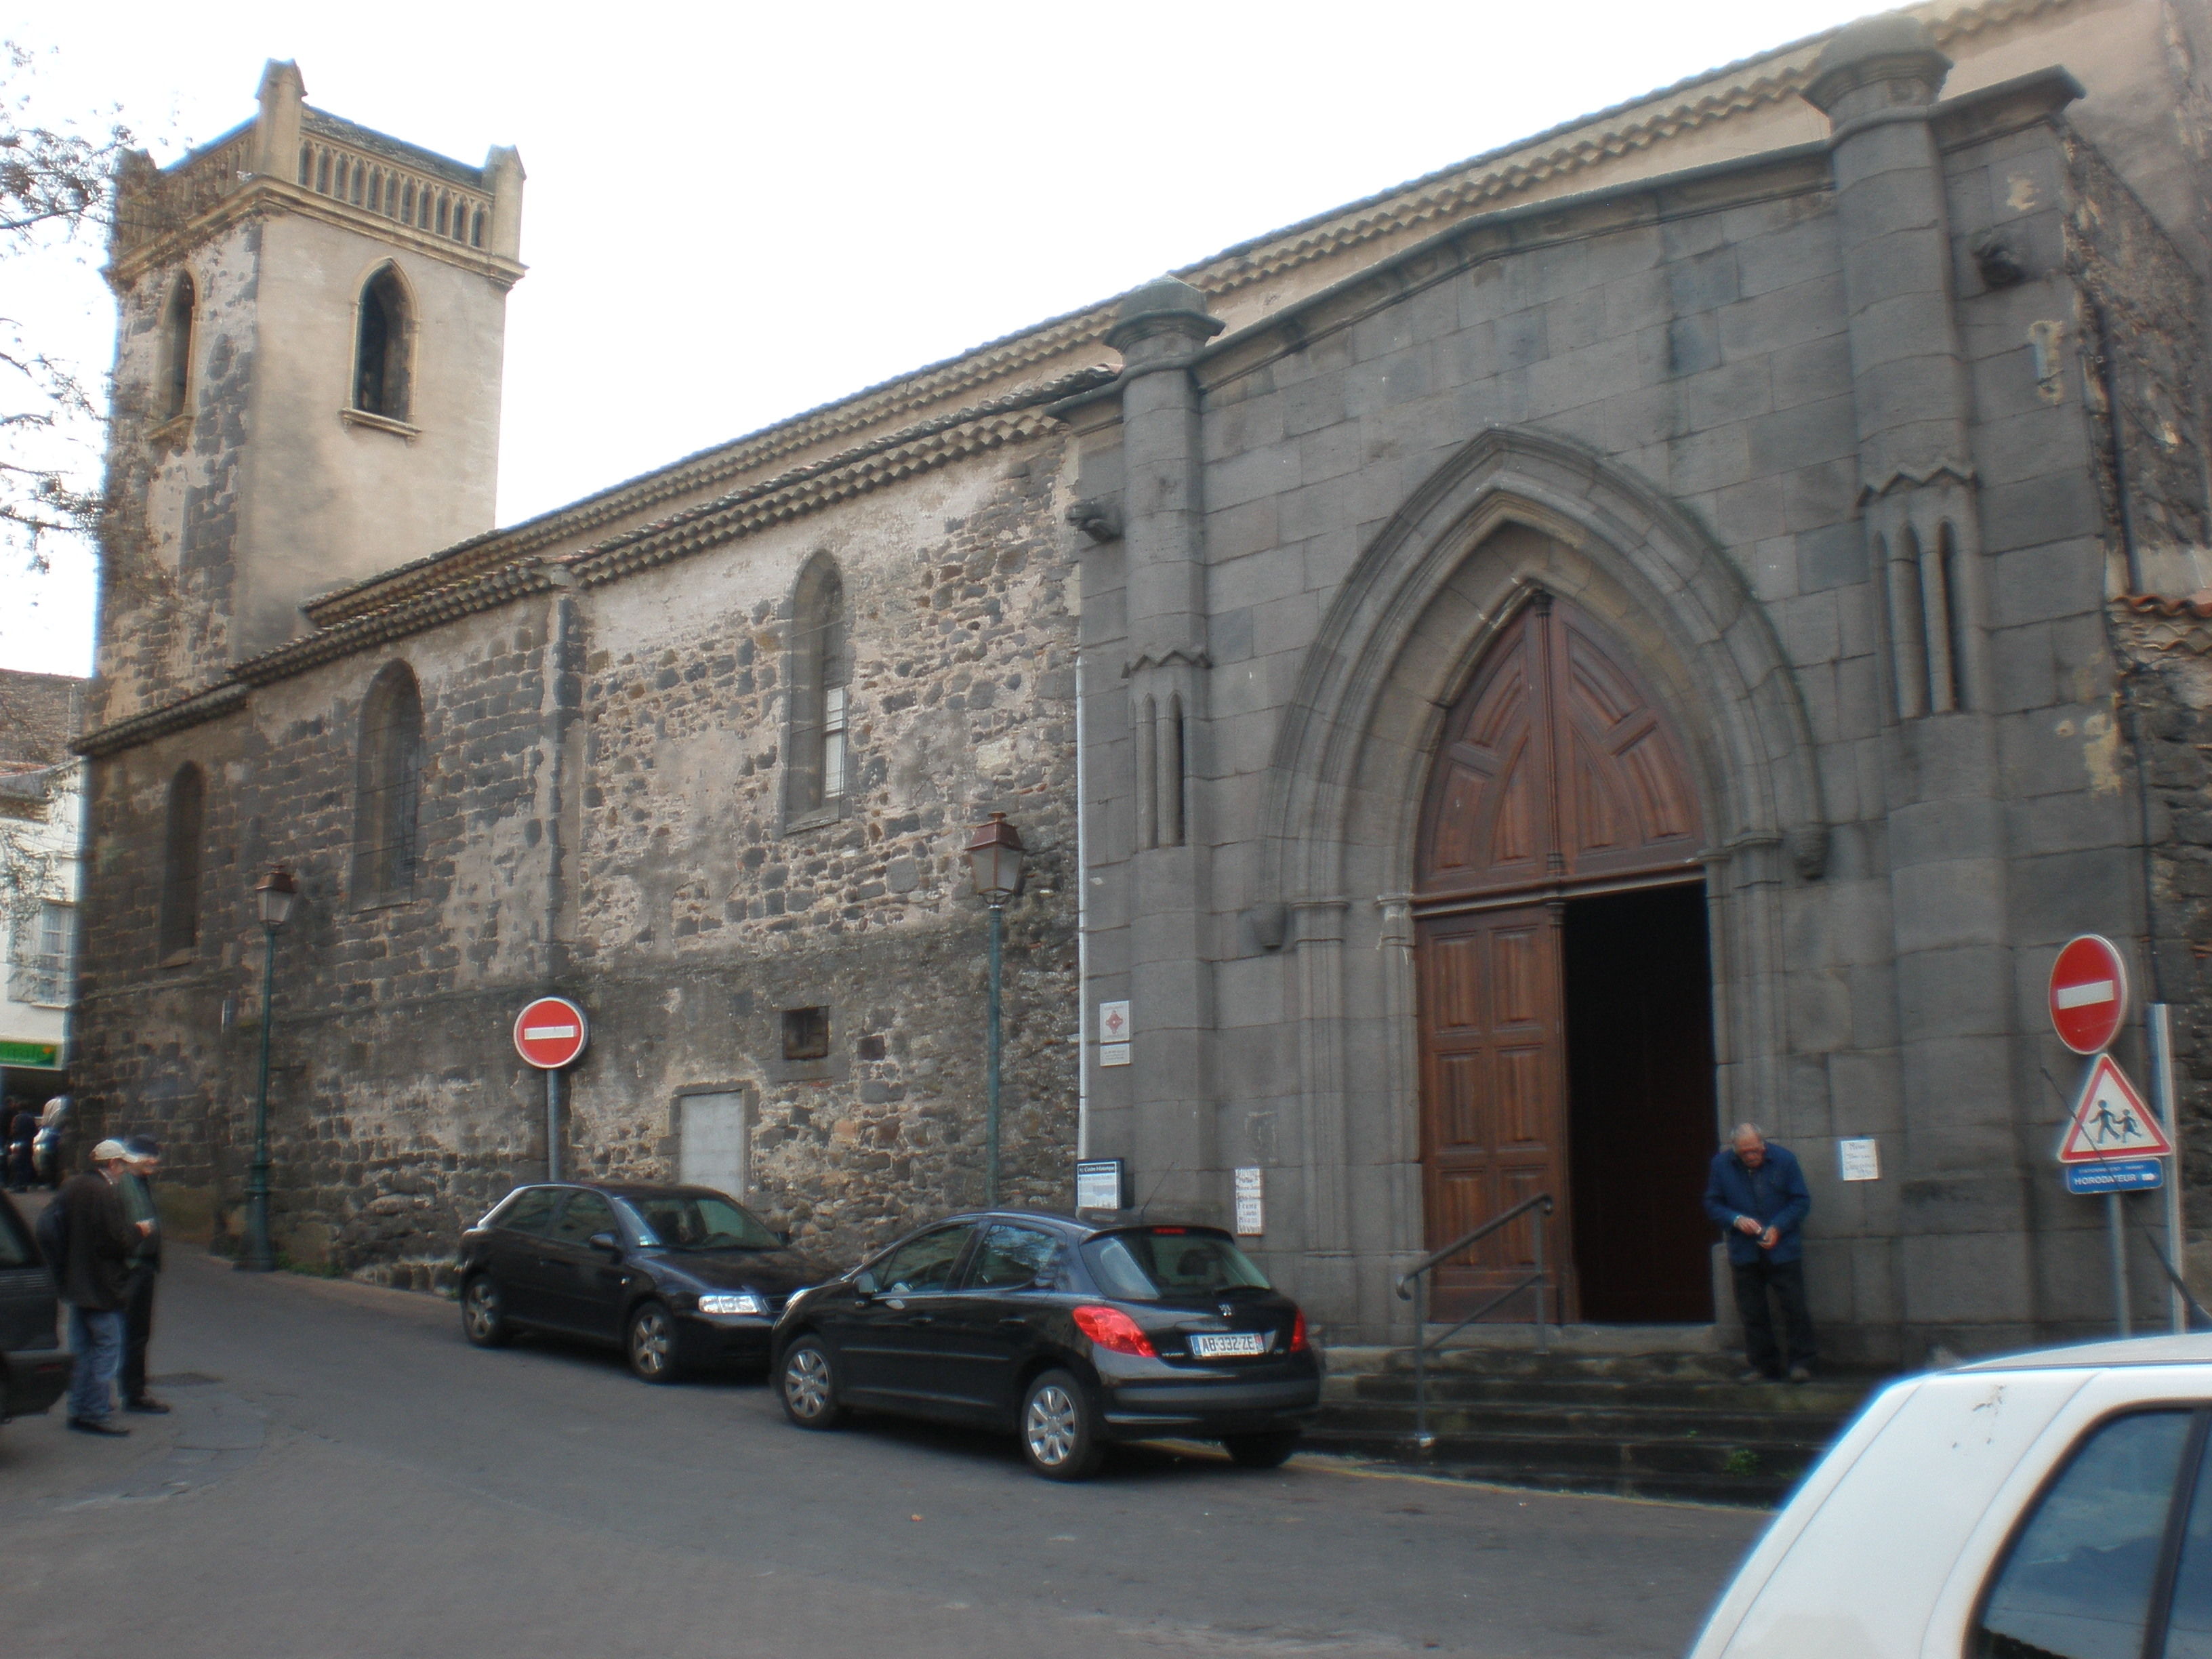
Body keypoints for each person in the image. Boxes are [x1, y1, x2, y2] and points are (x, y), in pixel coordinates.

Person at [1702, 1122, 1816, 1383]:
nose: (1752, 1156)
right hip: (1745, 1251)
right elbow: (1712, 1203)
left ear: (1763, 1145)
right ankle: (1764, 1366)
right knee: (1752, 1311)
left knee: (1794, 1307)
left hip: (1783, 1249)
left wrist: (1778, 1227)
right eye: (1745, 1153)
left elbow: (1800, 1201)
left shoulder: (1785, 1160)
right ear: (1735, 1150)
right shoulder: (1721, 1166)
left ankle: (1802, 1363)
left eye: (1755, 1150)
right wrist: (1735, 1219)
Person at [56, 1139, 152, 1435]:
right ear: (112, 1164)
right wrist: (139, 1231)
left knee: (83, 1350)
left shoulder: (72, 1187)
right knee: (107, 1350)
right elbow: (116, 1241)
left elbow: (52, 1228)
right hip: (102, 1286)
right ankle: (96, 1411)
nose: (124, 1172)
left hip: (77, 1283)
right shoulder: (104, 1192)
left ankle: (78, 1409)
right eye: (122, 1165)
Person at [117, 1136, 169, 1414]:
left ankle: (134, 1391)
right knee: (129, 1332)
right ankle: (132, 1393)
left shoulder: (139, 1182)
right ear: (132, 1158)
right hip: (132, 1267)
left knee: (137, 1333)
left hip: (143, 1265)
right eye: (149, 1156)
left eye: (156, 1156)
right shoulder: (123, 1184)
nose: (154, 1161)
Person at [3, 1101, 35, 1191]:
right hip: (28, 1143)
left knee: (17, 1165)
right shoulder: (30, 1118)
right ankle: (24, 1185)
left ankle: (17, 1185)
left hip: (18, 1144)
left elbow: (12, 1131)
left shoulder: (16, 1118)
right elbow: (35, 1131)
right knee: (27, 1164)